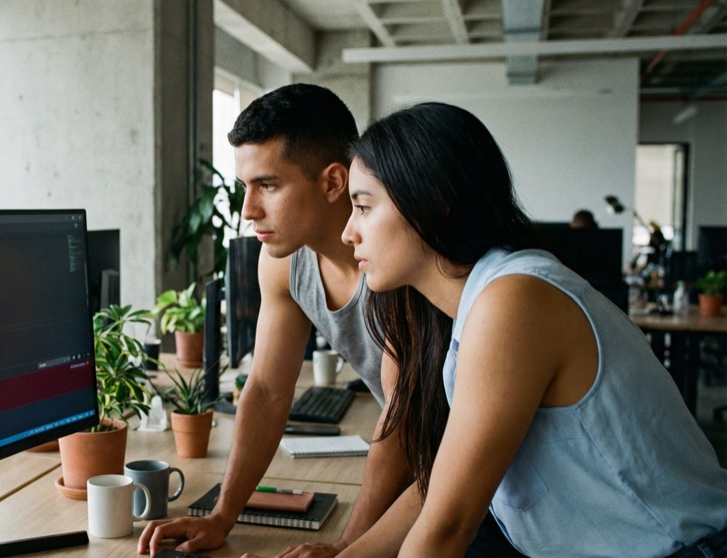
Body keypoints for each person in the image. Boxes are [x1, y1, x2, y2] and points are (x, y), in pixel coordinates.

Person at [138, 85, 523, 557]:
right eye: (245, 188)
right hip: (431, 476)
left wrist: (346, 546)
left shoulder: (400, 262)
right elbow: (266, 389)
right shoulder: (282, 261)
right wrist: (222, 516)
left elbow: (397, 427)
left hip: (481, 490)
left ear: (333, 182)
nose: (247, 211)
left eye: (269, 185)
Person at [333, 102, 727, 557]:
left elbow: (446, 529)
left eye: (363, 206)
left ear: (433, 201)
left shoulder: (513, 300)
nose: (348, 232)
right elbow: (437, 492)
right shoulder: (466, 308)